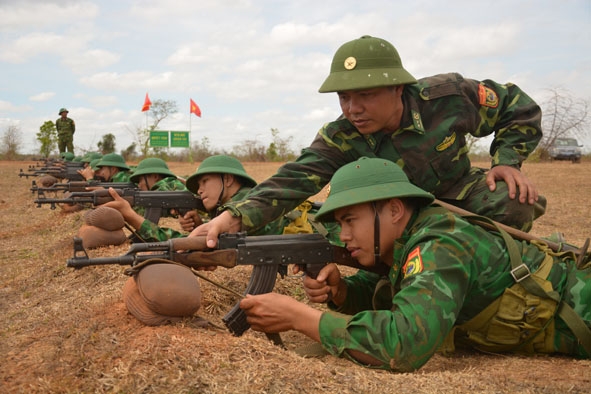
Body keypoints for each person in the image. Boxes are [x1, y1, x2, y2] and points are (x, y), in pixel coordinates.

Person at [191, 35, 546, 250]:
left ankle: (482, 273)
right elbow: (291, 181)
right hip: (390, 217)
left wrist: (507, 161)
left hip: (454, 193)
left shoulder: (447, 97)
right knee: (335, 229)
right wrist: (231, 218)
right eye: (343, 97)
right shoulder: (340, 135)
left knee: (514, 202)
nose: (353, 109)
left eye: (365, 95)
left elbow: (519, 106)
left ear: (398, 89)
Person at [239, 157, 591, 372]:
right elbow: (405, 290)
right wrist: (344, 291)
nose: (343, 235)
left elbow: (405, 346)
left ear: (393, 210)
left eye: (350, 221)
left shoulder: (440, 243)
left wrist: (302, 318)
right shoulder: (412, 240)